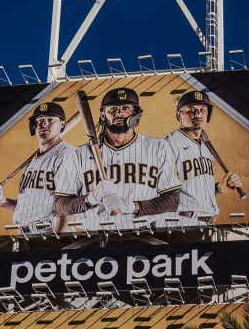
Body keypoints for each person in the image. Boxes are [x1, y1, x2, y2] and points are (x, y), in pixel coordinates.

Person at [55, 88, 180, 231]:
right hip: (94, 236)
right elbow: (60, 205)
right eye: (112, 109)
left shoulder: (158, 148)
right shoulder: (78, 155)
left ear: (136, 113)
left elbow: (173, 200)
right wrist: (91, 198)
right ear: (103, 115)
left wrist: (132, 206)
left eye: (126, 108)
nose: (119, 113)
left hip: (144, 233)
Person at [0, 101, 77, 234]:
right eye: (40, 120)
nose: (44, 124)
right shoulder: (33, 161)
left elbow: (69, 204)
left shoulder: (66, 154)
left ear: (62, 123)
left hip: (50, 231)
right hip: (25, 233)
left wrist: (61, 237)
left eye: (50, 119)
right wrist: (0, 201)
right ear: (34, 126)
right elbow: (28, 208)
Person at [163, 90, 243, 224]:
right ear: (179, 115)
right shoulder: (168, 145)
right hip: (181, 221)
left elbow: (194, 186)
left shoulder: (207, 147)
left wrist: (220, 188)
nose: (198, 114)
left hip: (208, 221)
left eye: (202, 110)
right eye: (191, 110)